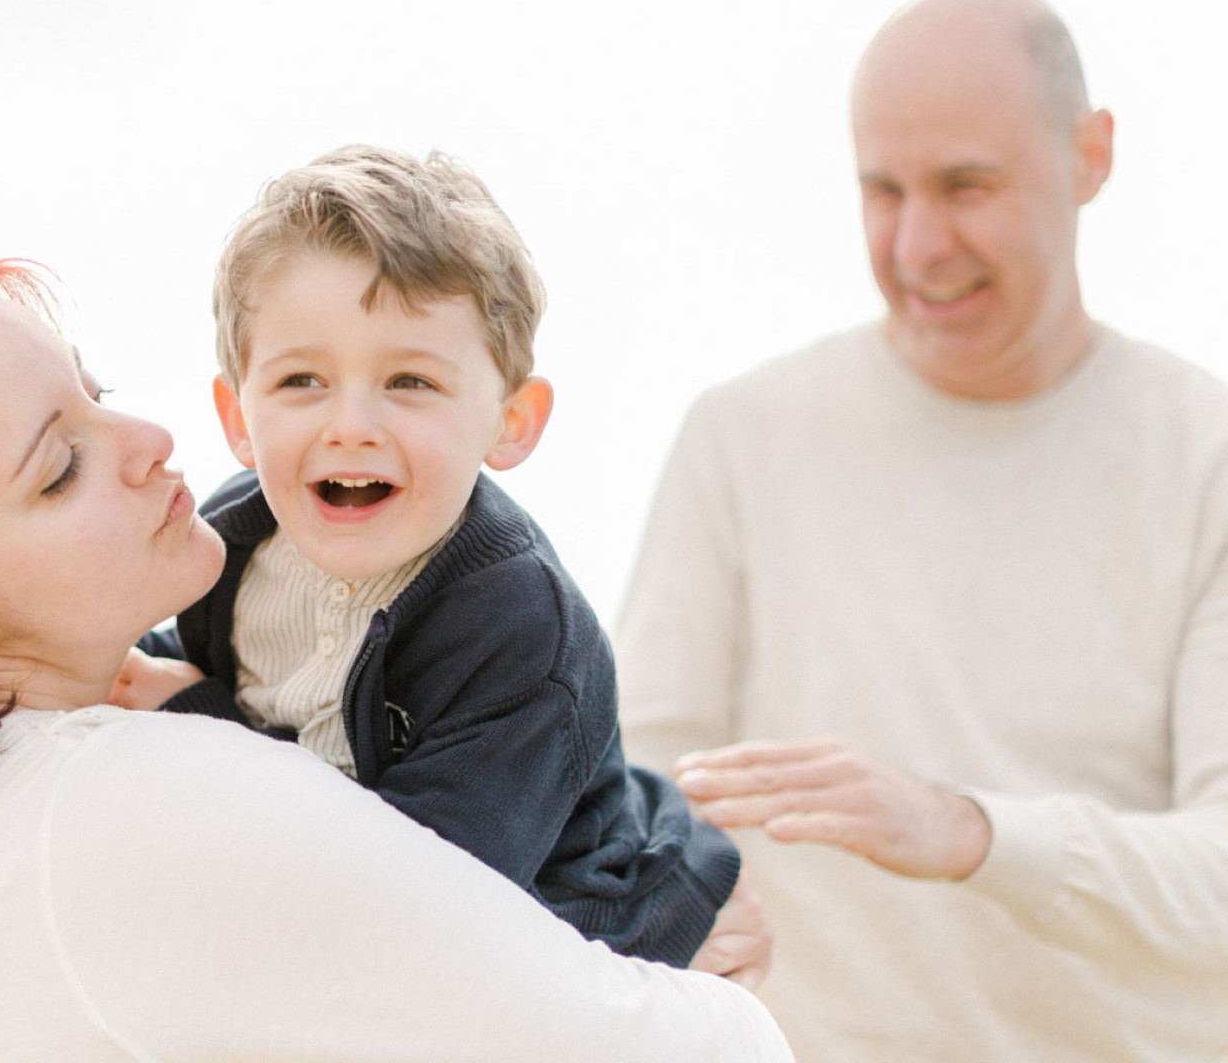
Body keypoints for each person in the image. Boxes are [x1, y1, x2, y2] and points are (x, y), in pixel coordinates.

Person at [0, 243, 792, 1062]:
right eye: (60, 466)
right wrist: (679, 927)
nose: (151, 441)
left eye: (96, 395)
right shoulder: (139, 792)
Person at [614, 0, 1228, 1062]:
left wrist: (971, 832)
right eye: (883, 190)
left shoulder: (1219, 462)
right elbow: (633, 793)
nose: (918, 245)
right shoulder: (742, 437)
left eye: (966, 185)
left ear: (1090, 156)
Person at [114, 145, 756, 975]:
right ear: (237, 414)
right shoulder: (235, 539)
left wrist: (197, 717)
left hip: (570, 919)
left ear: (511, 421)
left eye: (410, 381)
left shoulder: (522, 631)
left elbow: (416, 900)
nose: (351, 424)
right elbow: (180, 670)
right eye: (302, 380)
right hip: (366, 893)